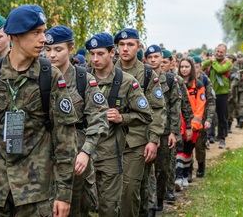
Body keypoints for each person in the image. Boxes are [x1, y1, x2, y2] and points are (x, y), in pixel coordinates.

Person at [0, 5, 78, 217]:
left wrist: (64, 192)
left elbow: (65, 139)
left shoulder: (49, 76)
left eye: (44, 31)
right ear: (15, 36)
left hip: (36, 194)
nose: (44, 39)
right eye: (36, 33)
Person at [44, 25, 109, 216]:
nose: (52, 55)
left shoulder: (83, 80)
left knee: (76, 208)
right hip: (43, 157)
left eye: (58, 49)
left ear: (70, 49)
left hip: (76, 156)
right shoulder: (39, 78)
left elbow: (99, 117)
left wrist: (86, 151)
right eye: (47, 50)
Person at [85, 32, 152, 216]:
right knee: (85, 205)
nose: (95, 59)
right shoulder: (81, 78)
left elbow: (146, 115)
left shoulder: (127, 82)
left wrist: (123, 118)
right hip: (84, 151)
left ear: (111, 53)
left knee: (110, 206)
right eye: (92, 54)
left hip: (111, 152)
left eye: (100, 54)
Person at [114, 28, 165, 217]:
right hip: (110, 139)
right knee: (114, 191)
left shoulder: (147, 74)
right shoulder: (108, 69)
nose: (125, 49)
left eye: (130, 44)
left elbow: (157, 108)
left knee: (132, 188)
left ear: (138, 47)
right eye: (121, 44)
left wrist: (153, 139)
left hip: (138, 138)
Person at [144, 45, 181, 216]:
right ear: (145, 59)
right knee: (147, 169)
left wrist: (174, 131)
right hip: (146, 130)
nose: (153, 60)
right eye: (149, 57)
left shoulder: (171, 80)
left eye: (156, 57)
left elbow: (175, 106)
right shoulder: (142, 77)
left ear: (162, 59)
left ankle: (159, 197)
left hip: (166, 131)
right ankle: (150, 204)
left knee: (164, 168)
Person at [160, 49, 192, 204]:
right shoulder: (149, 77)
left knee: (171, 160)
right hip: (156, 127)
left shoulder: (176, 80)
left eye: (164, 62)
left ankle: (169, 189)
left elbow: (185, 104)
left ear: (170, 63)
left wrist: (189, 125)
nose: (161, 65)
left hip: (171, 126)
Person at [175, 57, 206, 190]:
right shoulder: (176, 83)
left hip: (194, 125)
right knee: (179, 150)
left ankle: (187, 173)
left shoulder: (198, 85)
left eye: (187, 66)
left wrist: (192, 125)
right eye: (182, 67)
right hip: (179, 124)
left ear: (192, 68)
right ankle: (179, 177)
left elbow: (200, 107)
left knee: (188, 150)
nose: (184, 69)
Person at [202, 43, 232, 149]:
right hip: (211, 93)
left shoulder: (227, 63)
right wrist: (209, 61)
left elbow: (220, 70)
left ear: (225, 53)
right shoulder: (212, 61)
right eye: (217, 51)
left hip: (222, 93)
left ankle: (222, 137)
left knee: (222, 116)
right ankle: (210, 136)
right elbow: (202, 66)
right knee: (210, 115)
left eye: (221, 52)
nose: (219, 54)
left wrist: (213, 61)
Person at [192, 55, 215, 179]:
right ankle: (187, 169)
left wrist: (209, 119)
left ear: (200, 67)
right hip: (188, 119)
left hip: (201, 118)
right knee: (186, 146)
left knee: (200, 145)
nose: (194, 70)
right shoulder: (183, 80)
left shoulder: (205, 81)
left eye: (196, 67)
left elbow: (211, 101)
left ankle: (201, 165)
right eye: (192, 67)